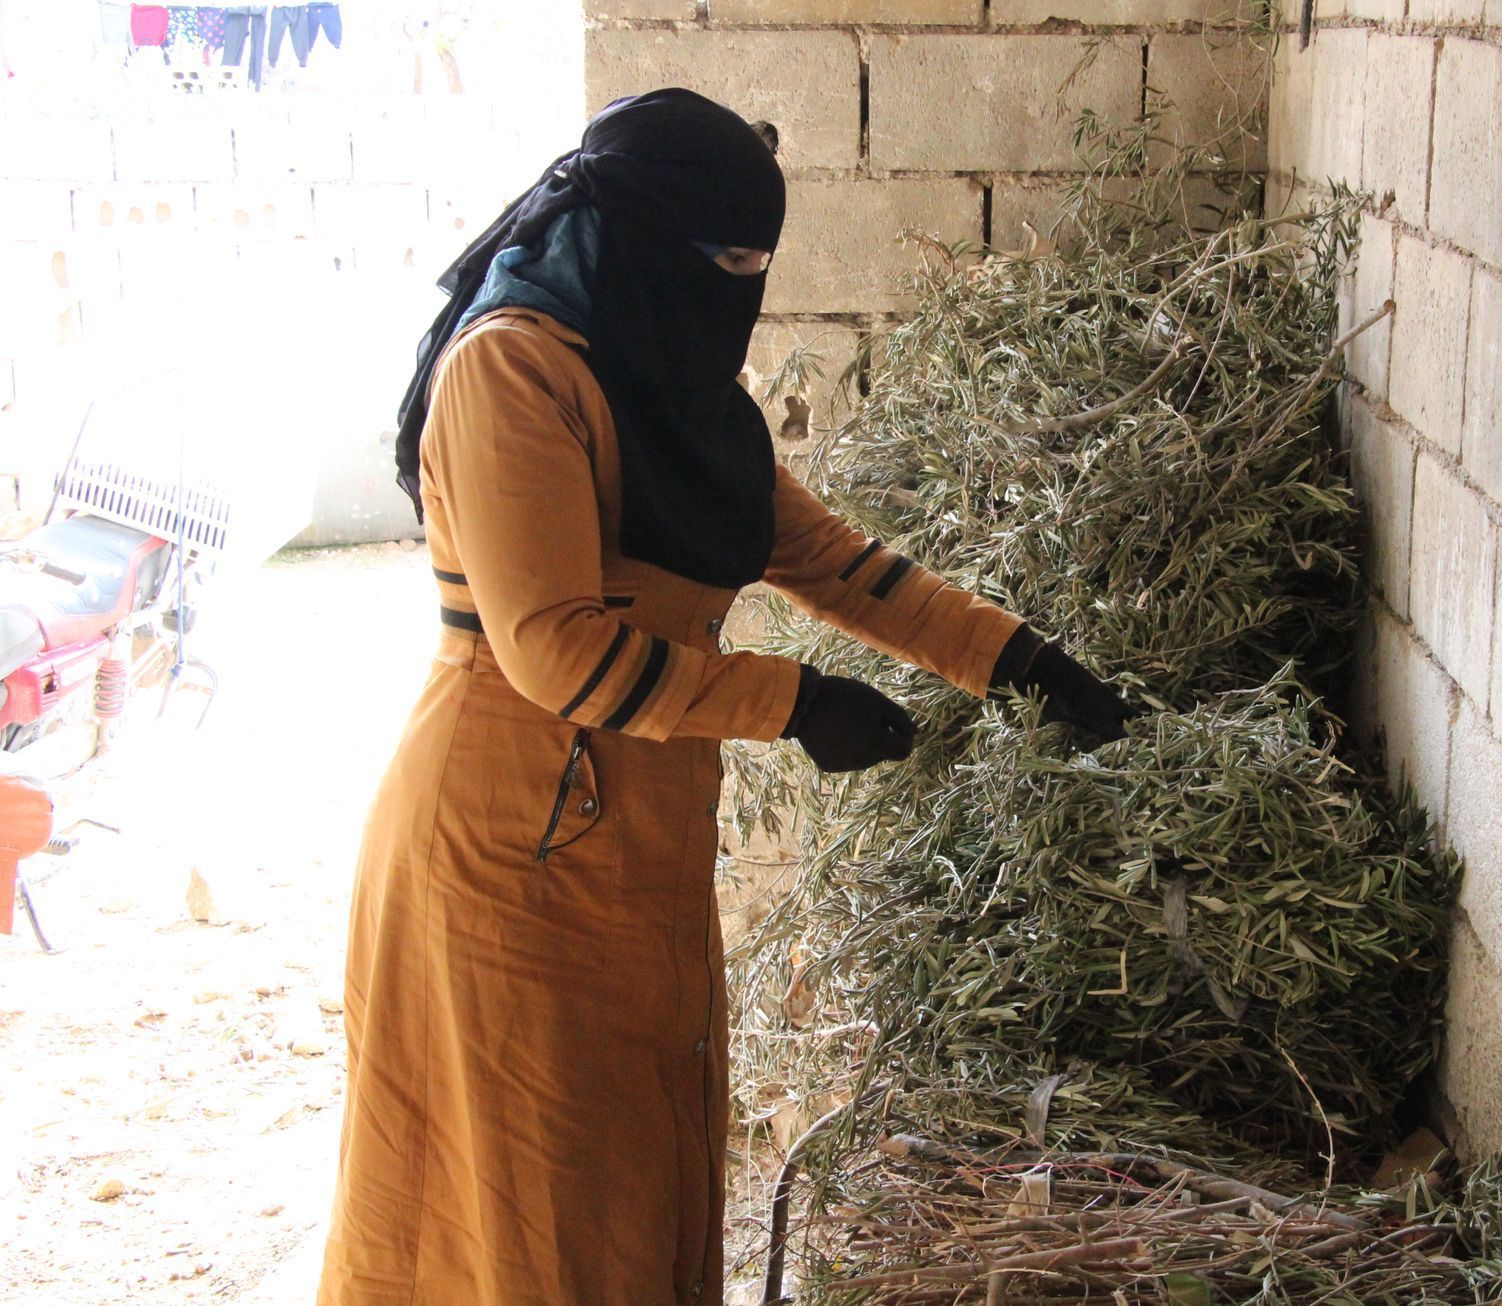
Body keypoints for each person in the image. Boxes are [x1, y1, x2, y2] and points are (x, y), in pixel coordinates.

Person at [316, 88, 1130, 1305]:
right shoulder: (511, 373)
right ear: (641, 239)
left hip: (632, 832)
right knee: (528, 1207)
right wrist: (794, 702)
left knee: (641, 1170)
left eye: (760, 263)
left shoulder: (673, 388)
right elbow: (553, 651)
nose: (741, 289)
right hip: (499, 846)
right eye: (726, 260)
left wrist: (1027, 665)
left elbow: (839, 566)